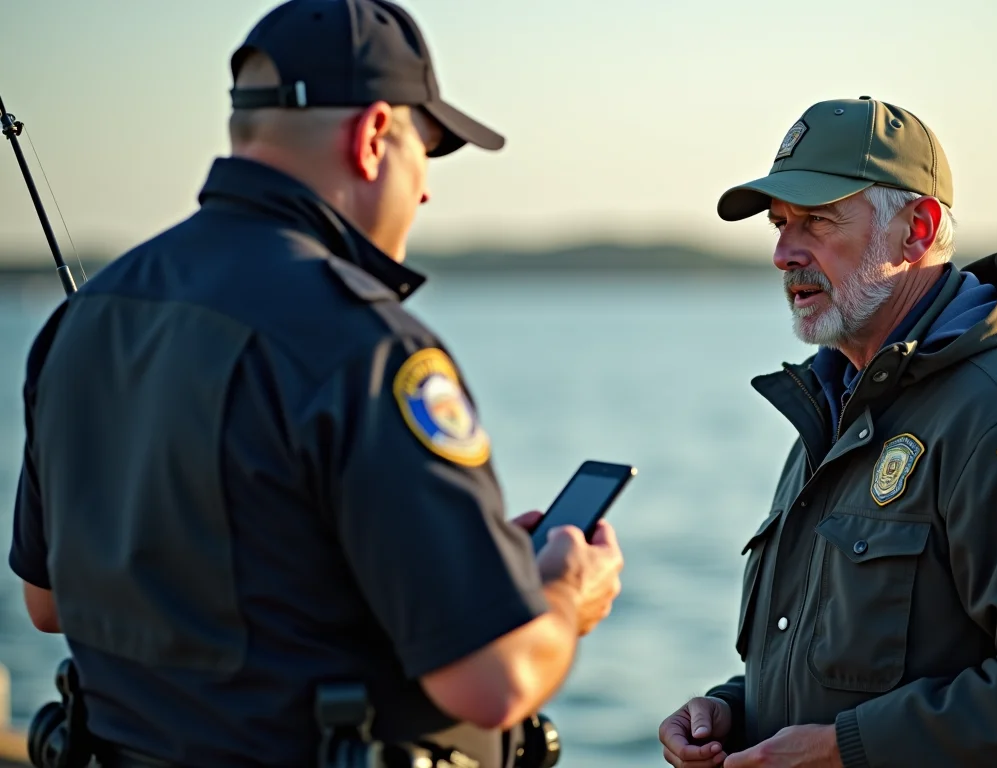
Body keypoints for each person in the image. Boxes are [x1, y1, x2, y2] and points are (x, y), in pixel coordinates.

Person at [7, 1, 623, 766]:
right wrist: (562, 592)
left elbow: (50, 601)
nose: (424, 192)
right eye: (426, 151)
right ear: (374, 137)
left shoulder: (82, 321)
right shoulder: (367, 346)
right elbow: (494, 680)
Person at [657, 96, 997, 768]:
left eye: (817, 220)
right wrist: (733, 714)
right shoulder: (834, 405)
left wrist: (845, 750)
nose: (782, 253)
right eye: (779, 224)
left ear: (917, 230)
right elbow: (851, 666)